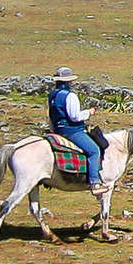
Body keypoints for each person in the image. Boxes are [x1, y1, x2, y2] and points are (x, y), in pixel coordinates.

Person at [47, 66, 107, 195]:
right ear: (69, 81)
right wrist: (89, 112)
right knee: (94, 150)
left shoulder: (52, 95)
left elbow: (51, 115)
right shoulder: (70, 96)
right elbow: (75, 117)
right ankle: (95, 182)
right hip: (72, 131)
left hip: (58, 129)